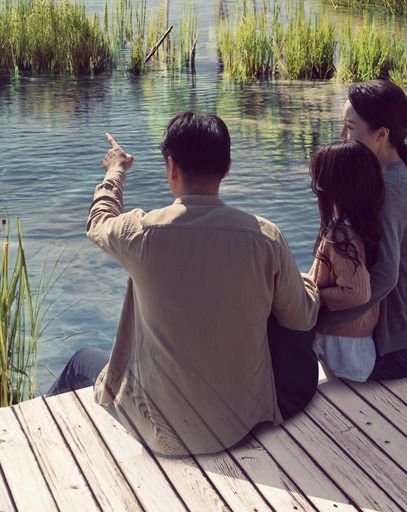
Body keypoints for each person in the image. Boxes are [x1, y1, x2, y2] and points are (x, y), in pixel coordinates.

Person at [48, 114, 319, 455]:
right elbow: (301, 318)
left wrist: (115, 171)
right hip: (239, 425)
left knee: (80, 362)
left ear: (171, 167)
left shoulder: (140, 233)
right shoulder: (265, 237)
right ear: (227, 168)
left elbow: (98, 221)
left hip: (160, 433)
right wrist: (310, 280)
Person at [339, 74, 407, 381]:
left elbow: (385, 278)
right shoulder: (395, 170)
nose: (342, 135)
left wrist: (326, 322)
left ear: (381, 134)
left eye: (350, 128)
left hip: (400, 351)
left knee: (293, 333)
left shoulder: (391, 187)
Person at [306, 142, 386, 384]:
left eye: (319, 179)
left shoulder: (341, 236)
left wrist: (314, 295)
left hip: (343, 346)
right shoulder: (361, 226)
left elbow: (357, 292)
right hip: (356, 342)